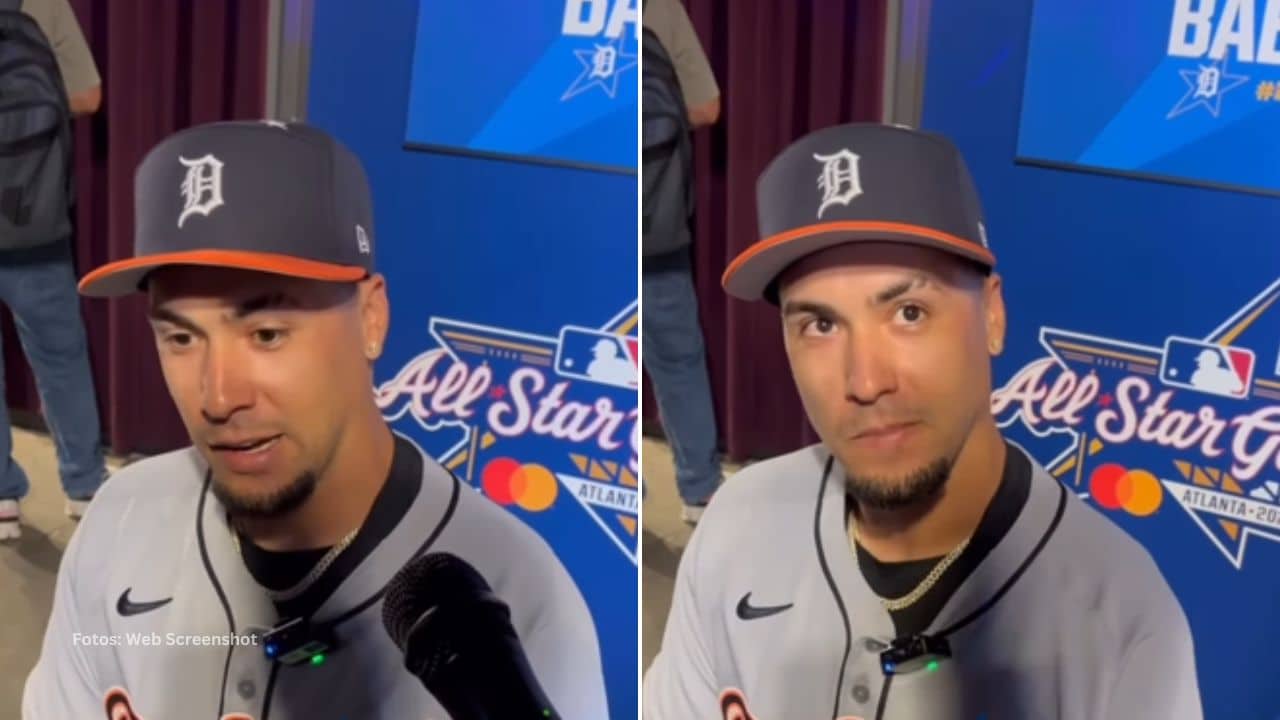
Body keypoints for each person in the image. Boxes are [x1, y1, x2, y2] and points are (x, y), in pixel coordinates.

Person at [22, 121, 608, 719]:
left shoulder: (522, 599)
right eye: (181, 337)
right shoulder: (120, 518)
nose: (218, 397)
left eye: (267, 334)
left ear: (371, 318)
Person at [643, 123, 1202, 719]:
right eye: (820, 325)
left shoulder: (1122, 614)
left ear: (992, 315)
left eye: (909, 312)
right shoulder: (737, 522)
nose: (865, 382)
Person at [0, 0, 108, 540]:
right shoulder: (42, 2)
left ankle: (1, 499)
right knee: (60, 355)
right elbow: (87, 96)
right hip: (33, 218)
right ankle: (85, 486)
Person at [641, 0, 723, 523]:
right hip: (654, 222)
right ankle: (700, 491)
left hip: (571, 214)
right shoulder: (656, 7)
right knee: (676, 357)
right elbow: (705, 107)